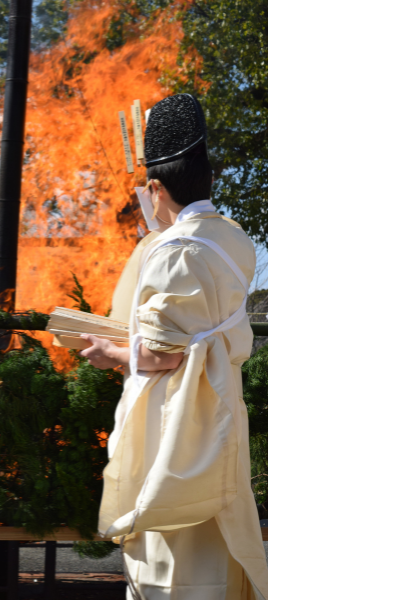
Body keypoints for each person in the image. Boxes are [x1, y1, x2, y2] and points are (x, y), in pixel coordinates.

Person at [80, 94, 268, 600]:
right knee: (219, 532)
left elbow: (165, 354)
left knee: (171, 551)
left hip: (176, 418)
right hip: (222, 404)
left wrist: (110, 353)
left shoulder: (173, 252)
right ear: (210, 179)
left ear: (156, 187)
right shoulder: (234, 239)